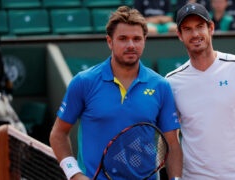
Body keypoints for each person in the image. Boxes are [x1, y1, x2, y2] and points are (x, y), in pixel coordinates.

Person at [49, 6, 182, 180]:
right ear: (109, 41)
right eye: (123, 39)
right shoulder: (83, 82)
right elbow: (58, 134)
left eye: (137, 39)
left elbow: (172, 143)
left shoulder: (160, 86)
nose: (131, 45)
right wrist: (74, 174)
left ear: (144, 41)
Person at [166, 3, 235, 179]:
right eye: (187, 29)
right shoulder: (171, 82)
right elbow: (171, 140)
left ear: (211, 28)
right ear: (180, 35)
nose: (195, 34)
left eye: (200, 27)